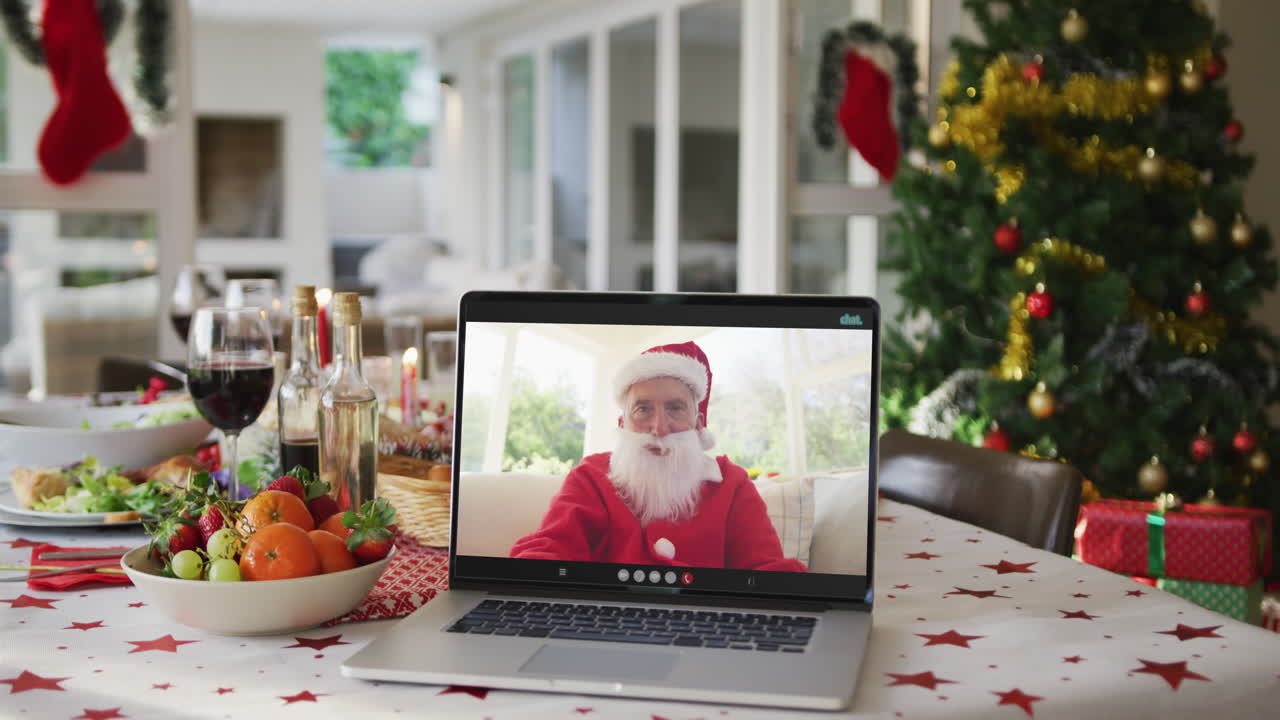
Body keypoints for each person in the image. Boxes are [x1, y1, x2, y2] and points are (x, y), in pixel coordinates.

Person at [510, 341, 807, 572]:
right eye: (643, 409)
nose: (659, 428)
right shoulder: (591, 475)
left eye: (675, 408)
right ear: (622, 423)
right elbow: (551, 547)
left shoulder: (732, 483)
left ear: (698, 423)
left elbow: (766, 570)